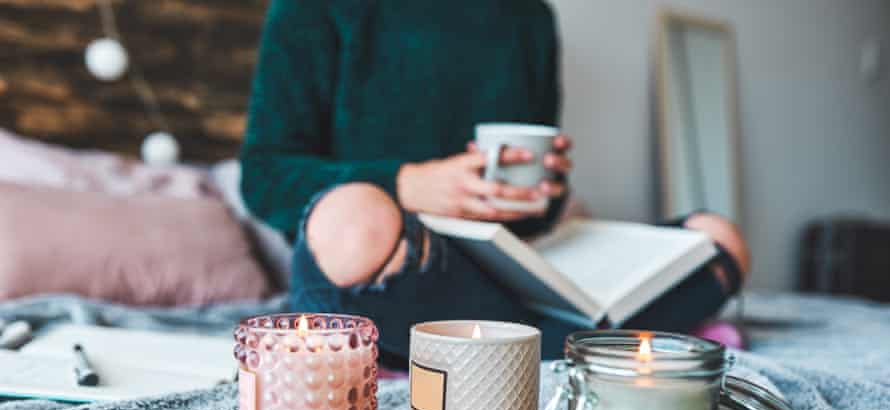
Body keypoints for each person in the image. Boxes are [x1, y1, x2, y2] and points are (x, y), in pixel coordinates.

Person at [241, 0, 750, 366]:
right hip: (398, 266)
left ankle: (526, 342)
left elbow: (537, 213)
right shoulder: (309, 10)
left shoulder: (528, 17)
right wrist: (410, 184)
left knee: (718, 239)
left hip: (500, 267)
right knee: (355, 220)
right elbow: (264, 176)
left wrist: (543, 193)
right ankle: (581, 343)